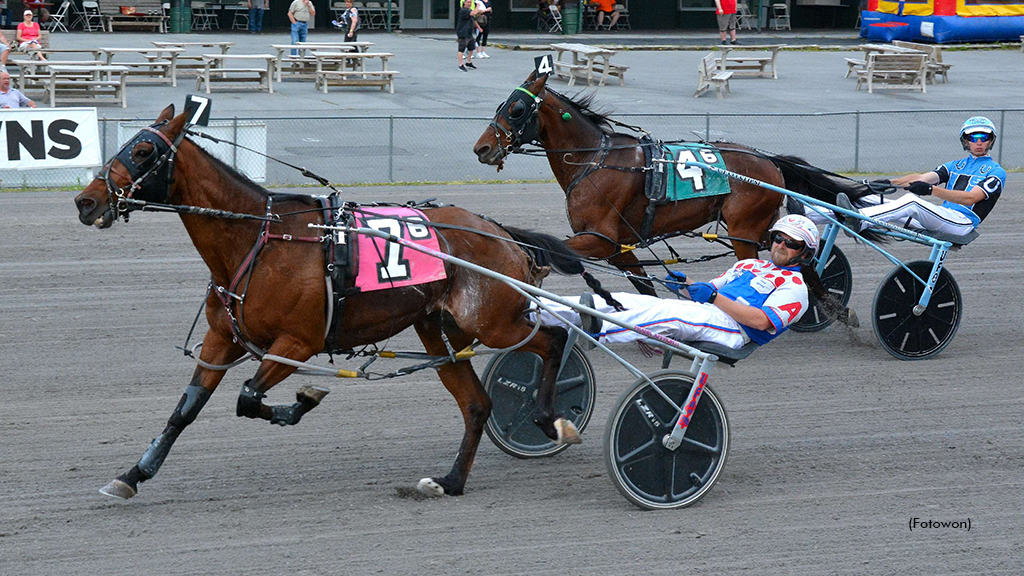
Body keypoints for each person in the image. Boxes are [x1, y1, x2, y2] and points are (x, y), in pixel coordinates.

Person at [535, 215, 820, 350]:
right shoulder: (749, 264)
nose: (781, 245)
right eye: (777, 237)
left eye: (791, 243)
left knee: (665, 313)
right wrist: (683, 285)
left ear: (804, 252)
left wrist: (712, 298)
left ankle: (597, 329)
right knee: (627, 299)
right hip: (708, 314)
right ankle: (537, 311)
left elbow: (760, 322)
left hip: (733, 331)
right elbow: (708, 290)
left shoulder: (796, 289)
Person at [835, 117, 1005, 237]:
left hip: (961, 223)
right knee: (873, 199)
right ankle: (816, 213)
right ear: (965, 140)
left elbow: (970, 198)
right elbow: (923, 178)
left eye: (984, 137)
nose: (979, 142)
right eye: (973, 137)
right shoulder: (955, 165)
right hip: (942, 216)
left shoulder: (996, 172)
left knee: (912, 201)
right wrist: (886, 183)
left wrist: (932, 190)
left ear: (990, 141)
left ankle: (860, 221)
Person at [455, 0, 481, 72]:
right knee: (461, 49)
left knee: (471, 48)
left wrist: (479, 28)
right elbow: (474, 13)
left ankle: (468, 62)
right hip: (463, 33)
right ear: (464, 3)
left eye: (470, 2)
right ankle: (460, 65)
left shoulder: (469, 10)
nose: (470, 4)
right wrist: (478, 6)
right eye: (468, 2)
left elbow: (474, 19)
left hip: (469, 33)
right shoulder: (464, 11)